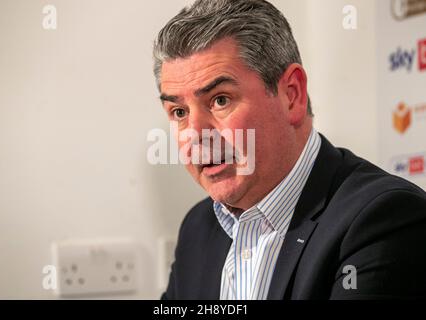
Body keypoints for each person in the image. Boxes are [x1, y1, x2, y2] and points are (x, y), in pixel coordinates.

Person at [152, 0, 426, 299]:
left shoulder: (383, 217)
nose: (195, 135)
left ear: (291, 95)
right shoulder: (197, 228)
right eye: (179, 112)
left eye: (220, 100)